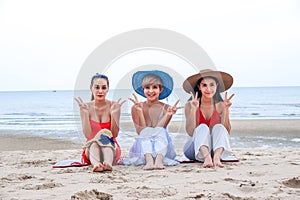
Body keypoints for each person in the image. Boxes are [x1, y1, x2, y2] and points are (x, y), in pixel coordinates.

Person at [123, 70, 182, 170]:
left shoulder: (166, 108)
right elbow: (140, 131)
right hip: (143, 150)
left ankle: (159, 161)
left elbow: (160, 128)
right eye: (147, 87)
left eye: (154, 87)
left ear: (161, 89)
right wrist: (140, 112)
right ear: (143, 89)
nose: (151, 91)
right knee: (146, 132)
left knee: (161, 131)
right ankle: (149, 161)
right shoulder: (136, 107)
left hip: (162, 150)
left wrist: (167, 115)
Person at [182, 69, 234, 168]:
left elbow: (226, 131)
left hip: (215, 149)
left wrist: (226, 110)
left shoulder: (221, 105)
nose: (208, 89)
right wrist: (193, 110)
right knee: (202, 127)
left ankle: (216, 158)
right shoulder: (190, 105)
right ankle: (206, 158)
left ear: (217, 86)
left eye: (211, 85)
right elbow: (190, 132)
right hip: (195, 149)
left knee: (219, 127)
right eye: (204, 85)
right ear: (199, 87)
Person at [74, 73, 125, 172]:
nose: (100, 91)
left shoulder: (114, 106)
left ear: (108, 89)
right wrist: (84, 114)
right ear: (91, 88)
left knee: (105, 142)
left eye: (103, 88)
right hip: (92, 150)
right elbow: (88, 135)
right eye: (97, 87)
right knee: (94, 143)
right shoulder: (85, 107)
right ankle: (96, 164)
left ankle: (108, 164)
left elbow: (114, 134)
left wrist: (114, 114)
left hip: (110, 147)